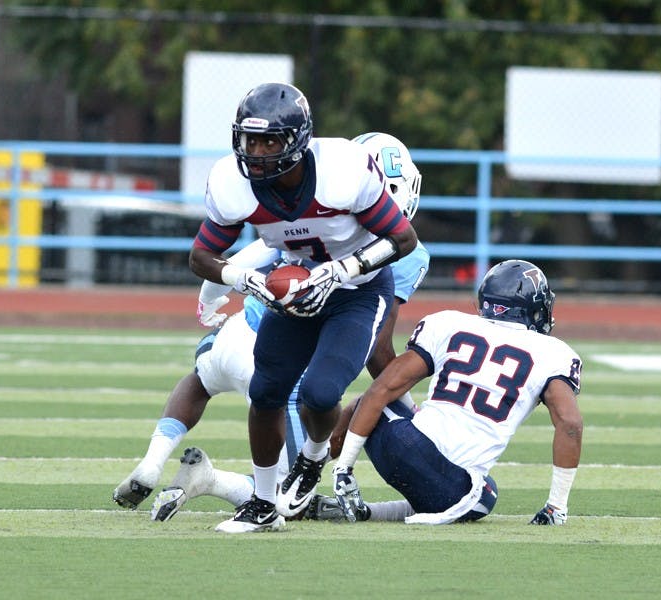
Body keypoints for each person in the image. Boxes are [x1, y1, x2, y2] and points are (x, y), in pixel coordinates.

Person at [112, 131, 429, 523]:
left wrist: (213, 292)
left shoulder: (304, 193)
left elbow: (255, 251)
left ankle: (153, 459)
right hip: (282, 332)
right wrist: (407, 409)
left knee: (205, 381)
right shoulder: (325, 195)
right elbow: (378, 353)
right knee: (293, 493)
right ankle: (218, 483)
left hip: (235, 330)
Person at [189, 82, 419, 533]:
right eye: (249, 140)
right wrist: (245, 278)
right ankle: (260, 503)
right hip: (293, 289)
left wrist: (341, 271)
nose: (255, 151)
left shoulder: (343, 171)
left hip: (358, 291)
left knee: (320, 394)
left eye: (268, 140)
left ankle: (312, 460)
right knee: (266, 393)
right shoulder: (233, 184)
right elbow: (201, 256)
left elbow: (402, 240)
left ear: (297, 140)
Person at [328, 259, 584, 526]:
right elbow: (570, 423)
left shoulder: (448, 324)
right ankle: (556, 511)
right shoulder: (555, 352)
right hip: (454, 485)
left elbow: (382, 388)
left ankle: (316, 474)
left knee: (368, 401)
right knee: (482, 496)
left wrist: (345, 467)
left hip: (409, 452)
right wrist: (556, 506)